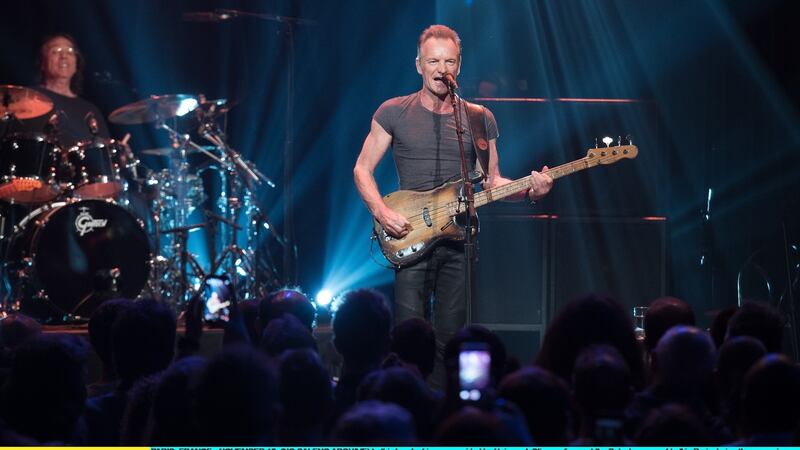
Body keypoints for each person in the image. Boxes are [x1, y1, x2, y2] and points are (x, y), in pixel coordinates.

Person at [353, 24, 553, 387]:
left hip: (460, 242)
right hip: (410, 234)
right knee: (408, 336)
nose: (441, 68)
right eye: (433, 60)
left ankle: (450, 414)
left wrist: (529, 190)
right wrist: (382, 213)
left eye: (449, 61)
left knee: (452, 338)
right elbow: (362, 169)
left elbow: (492, 181)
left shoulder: (479, 117)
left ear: (459, 66)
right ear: (418, 65)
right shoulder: (393, 112)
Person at [23, 34, 110, 147]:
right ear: (42, 63)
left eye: (70, 51)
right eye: (55, 51)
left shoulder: (91, 110)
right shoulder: (26, 97)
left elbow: (104, 155)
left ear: (76, 64)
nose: (64, 56)